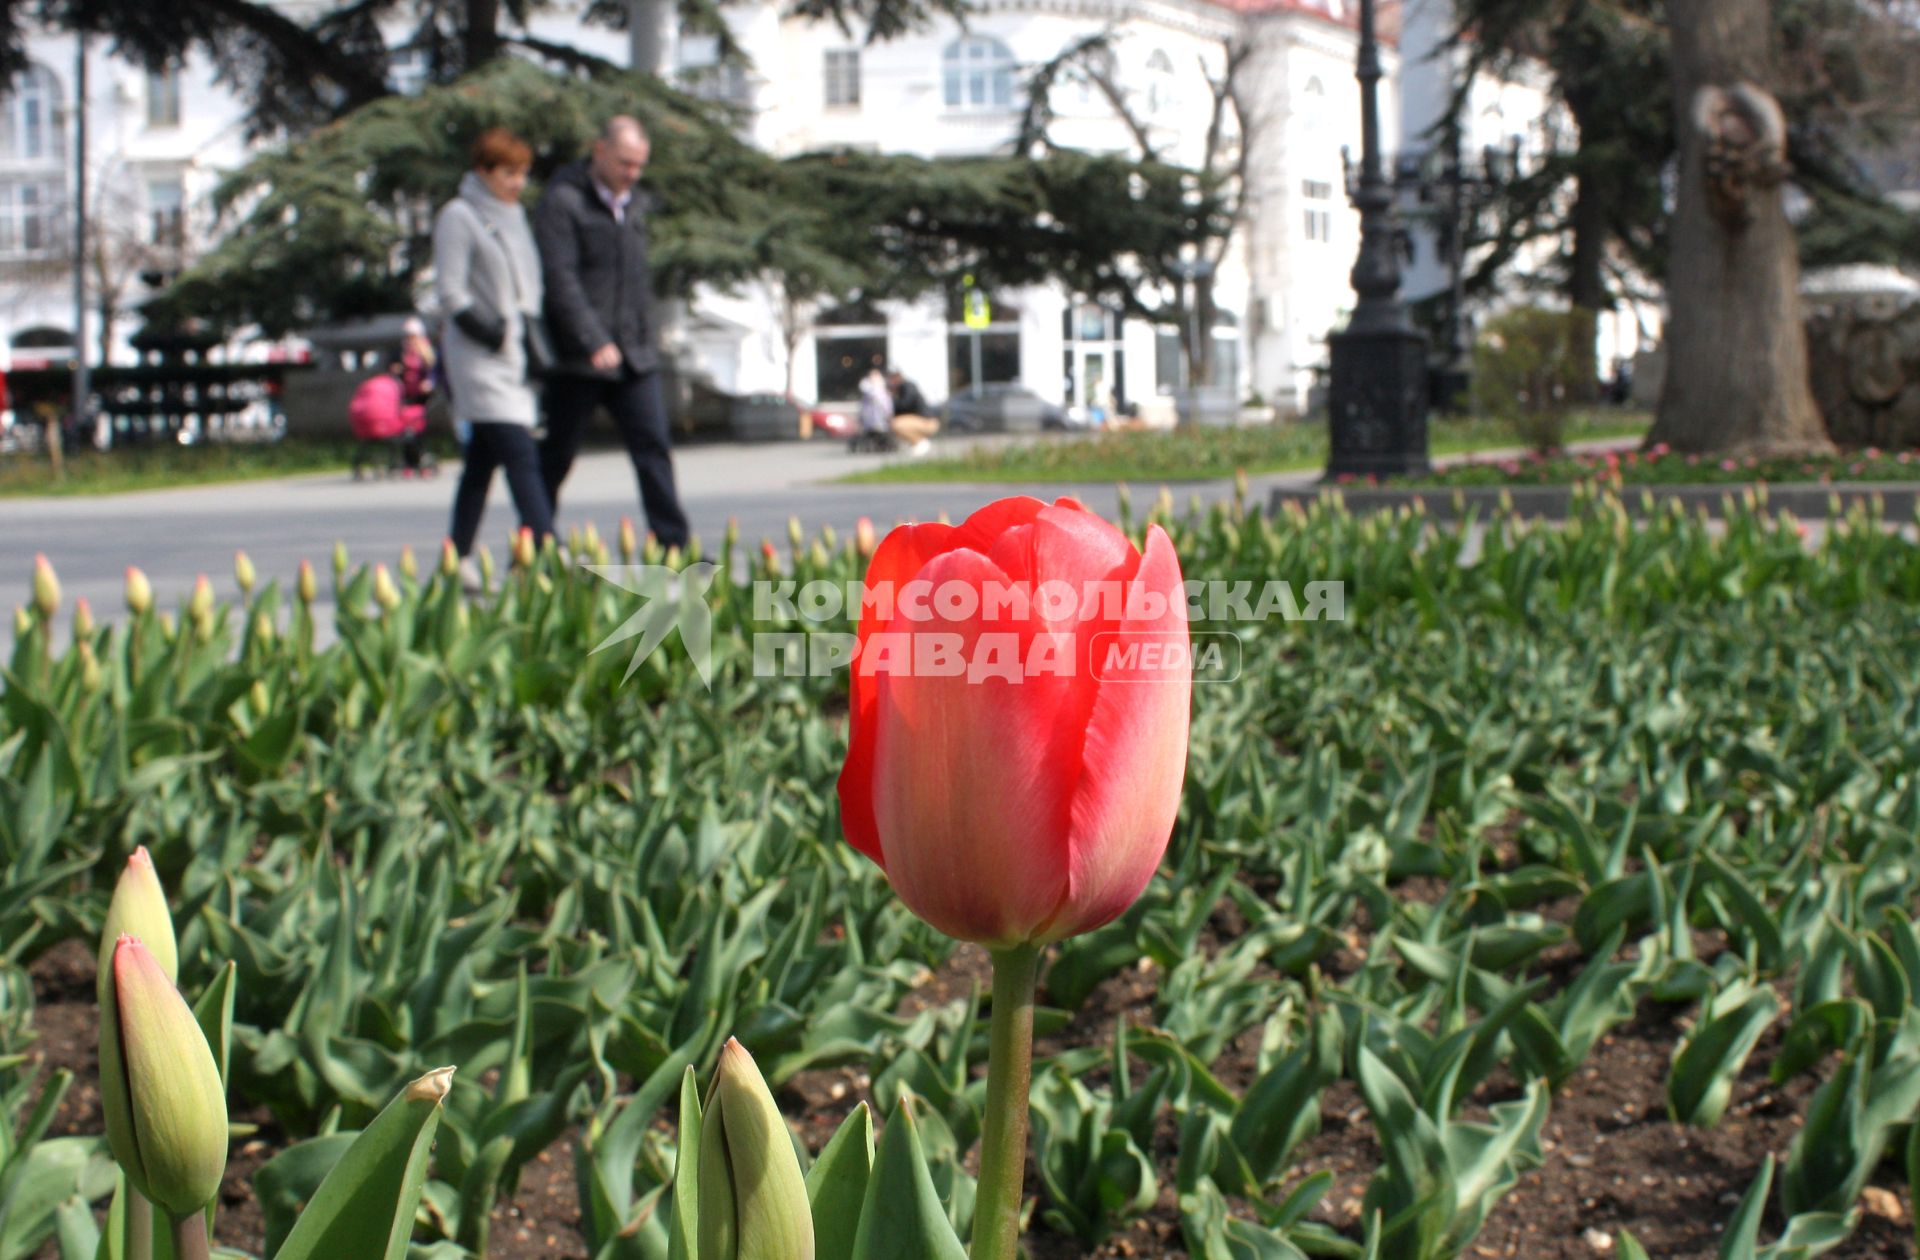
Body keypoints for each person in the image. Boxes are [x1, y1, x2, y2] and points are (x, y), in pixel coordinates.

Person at [534, 115, 691, 550]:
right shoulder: (563, 202)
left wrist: (642, 336)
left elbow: (636, 281)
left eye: (639, 165)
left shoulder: (634, 204)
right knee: (557, 455)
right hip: (579, 358)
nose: (632, 174)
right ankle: (534, 546)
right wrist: (593, 340)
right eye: (625, 163)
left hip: (633, 352)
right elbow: (560, 279)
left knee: (654, 448)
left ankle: (674, 543)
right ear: (599, 150)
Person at [435, 126, 554, 567]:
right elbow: (450, 291)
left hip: (514, 356)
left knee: (480, 467)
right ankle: (549, 548)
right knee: (521, 455)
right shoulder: (459, 215)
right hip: (479, 357)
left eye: (522, 173)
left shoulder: (515, 217)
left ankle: (457, 556)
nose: (517, 182)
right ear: (483, 171)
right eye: (508, 172)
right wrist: (492, 332)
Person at [886, 368, 940, 454]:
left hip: (927, 421)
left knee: (896, 424)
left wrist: (892, 398)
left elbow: (905, 404)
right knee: (894, 424)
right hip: (922, 420)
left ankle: (920, 442)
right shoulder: (903, 388)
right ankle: (917, 443)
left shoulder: (908, 387)